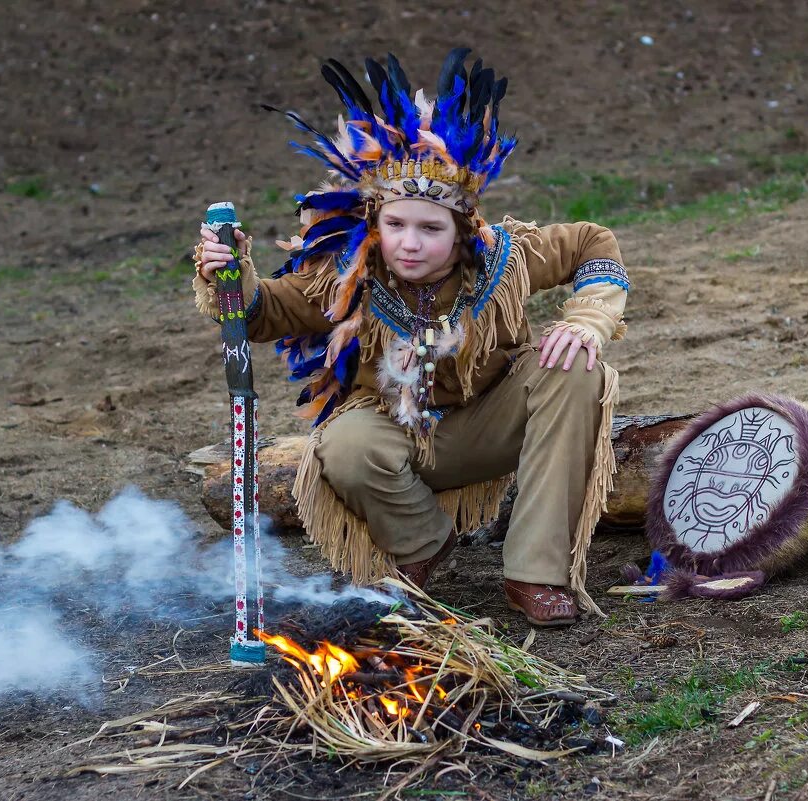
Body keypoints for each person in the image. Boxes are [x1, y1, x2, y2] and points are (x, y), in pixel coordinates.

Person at [192, 50, 629, 626]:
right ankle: (423, 545)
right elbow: (260, 315)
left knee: (577, 368)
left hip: (496, 416)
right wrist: (228, 274)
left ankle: (535, 572)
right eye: (395, 225)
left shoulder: (505, 255)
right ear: (376, 224)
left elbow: (593, 243)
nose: (410, 243)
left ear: (463, 230)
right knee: (342, 445)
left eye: (430, 228)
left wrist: (585, 321)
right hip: (398, 435)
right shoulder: (345, 275)